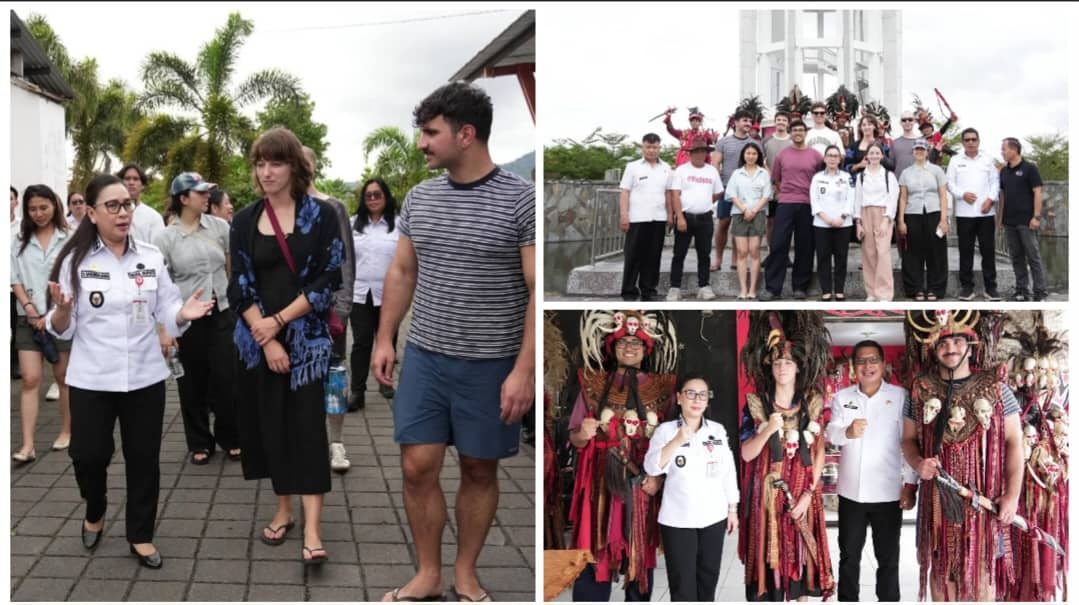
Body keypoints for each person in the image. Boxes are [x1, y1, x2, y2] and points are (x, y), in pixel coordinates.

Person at [371, 82, 534, 602]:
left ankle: (465, 572)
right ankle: (428, 573)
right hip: (425, 357)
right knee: (417, 466)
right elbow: (402, 271)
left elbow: (538, 289)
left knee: (477, 468)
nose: (421, 143)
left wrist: (524, 371)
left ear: (466, 135)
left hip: (491, 364)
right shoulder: (420, 198)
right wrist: (384, 339)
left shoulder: (520, 199)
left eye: (430, 132)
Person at [46, 173, 213, 568]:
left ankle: (140, 534)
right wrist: (64, 310)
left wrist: (182, 315)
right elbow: (60, 326)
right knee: (88, 456)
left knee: (143, 459)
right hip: (92, 378)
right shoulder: (76, 260)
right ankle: (96, 507)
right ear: (91, 213)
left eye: (127, 205)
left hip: (144, 376)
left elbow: (167, 308)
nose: (123, 213)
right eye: (113, 206)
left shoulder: (150, 257)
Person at [228, 127, 344, 566]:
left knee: (307, 431)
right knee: (270, 427)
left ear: (295, 166)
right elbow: (238, 284)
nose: (266, 171)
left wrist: (279, 324)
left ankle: (313, 527)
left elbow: (326, 280)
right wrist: (266, 335)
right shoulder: (243, 220)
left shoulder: (322, 215)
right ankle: (283, 508)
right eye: (260, 163)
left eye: (275, 162)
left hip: (306, 342)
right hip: (258, 342)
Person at [901, 310, 1023, 601]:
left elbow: (1015, 442)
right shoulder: (919, 390)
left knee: (981, 573)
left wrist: (1013, 495)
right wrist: (919, 464)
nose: (950, 348)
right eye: (943, 343)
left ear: (970, 346)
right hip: (937, 503)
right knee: (942, 573)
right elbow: (907, 439)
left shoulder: (996, 389)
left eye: (957, 341)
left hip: (983, 499)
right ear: (933, 349)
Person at [568, 310, 677, 601]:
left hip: (643, 484)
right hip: (599, 482)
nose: (628, 348)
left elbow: (674, 442)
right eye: (622, 343)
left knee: (640, 554)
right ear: (611, 347)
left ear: (646, 349)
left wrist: (658, 480)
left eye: (635, 343)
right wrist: (584, 434)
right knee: (594, 549)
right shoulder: (592, 383)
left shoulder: (665, 389)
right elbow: (575, 438)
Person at [739, 312, 834, 601]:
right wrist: (768, 428)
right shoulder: (755, 404)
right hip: (766, 495)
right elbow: (746, 454)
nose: (782, 367)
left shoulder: (814, 403)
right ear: (769, 366)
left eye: (788, 362)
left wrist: (808, 493)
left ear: (797, 367)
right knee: (771, 563)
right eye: (778, 362)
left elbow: (819, 452)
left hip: (804, 492)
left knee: (802, 564)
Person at [154, 172, 240, 465]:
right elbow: (160, 285)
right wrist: (165, 328)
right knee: (191, 382)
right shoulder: (165, 238)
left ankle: (231, 437)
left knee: (226, 378)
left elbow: (230, 267)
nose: (207, 197)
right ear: (183, 199)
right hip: (186, 318)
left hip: (222, 311)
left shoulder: (219, 226)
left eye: (208, 192)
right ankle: (200, 442)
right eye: (200, 193)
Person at [825, 340, 918, 602]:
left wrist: (910, 485)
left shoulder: (900, 397)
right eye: (862, 361)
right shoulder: (842, 398)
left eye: (873, 360)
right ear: (854, 367)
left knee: (888, 558)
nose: (868, 366)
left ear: (883, 364)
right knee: (848, 556)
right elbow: (831, 432)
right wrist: (847, 431)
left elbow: (909, 442)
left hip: (888, 492)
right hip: (851, 493)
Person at [644, 374, 739, 602]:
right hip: (678, 519)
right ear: (679, 398)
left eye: (702, 395)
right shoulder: (665, 431)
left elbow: (728, 470)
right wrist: (677, 440)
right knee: (682, 584)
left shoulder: (716, 430)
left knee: (708, 579)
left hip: (713, 516)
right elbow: (652, 467)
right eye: (690, 393)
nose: (696, 399)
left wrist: (732, 508)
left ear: (707, 400)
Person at [301, 145, 356, 473]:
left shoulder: (333, 206)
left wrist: (342, 309)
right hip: (292, 315)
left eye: (304, 162)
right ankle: (304, 441)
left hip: (329, 312)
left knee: (334, 377)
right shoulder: (280, 209)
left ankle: (336, 442)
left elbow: (345, 261)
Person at [12, 184, 72, 462]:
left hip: (60, 317)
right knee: (30, 379)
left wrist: (51, 314)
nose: (38, 213)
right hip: (28, 319)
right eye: (32, 209)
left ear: (55, 206)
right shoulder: (18, 241)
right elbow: (15, 280)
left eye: (43, 207)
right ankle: (28, 445)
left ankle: (67, 431)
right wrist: (30, 309)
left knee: (63, 378)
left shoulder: (68, 238)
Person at [349, 178, 400, 413]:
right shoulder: (352, 225)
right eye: (368, 195)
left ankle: (385, 381)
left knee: (387, 339)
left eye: (377, 194)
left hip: (390, 294)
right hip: (360, 293)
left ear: (386, 196)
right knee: (361, 343)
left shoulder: (399, 225)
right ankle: (357, 391)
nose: (372, 199)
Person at [761, 121, 821, 301]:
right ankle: (773, 289)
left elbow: (819, 179)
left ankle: (800, 287)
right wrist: (785, 193)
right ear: (790, 132)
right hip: (786, 203)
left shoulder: (816, 156)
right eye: (794, 130)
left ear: (806, 132)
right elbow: (776, 179)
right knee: (778, 244)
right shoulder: (782, 155)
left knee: (805, 247)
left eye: (801, 130)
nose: (798, 133)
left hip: (807, 204)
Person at [946, 128, 1001, 301]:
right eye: (967, 140)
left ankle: (991, 288)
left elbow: (995, 182)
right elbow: (950, 184)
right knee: (966, 251)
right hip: (964, 214)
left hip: (985, 213)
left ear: (978, 141)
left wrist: (990, 200)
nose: (970, 142)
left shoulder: (988, 160)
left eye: (973, 139)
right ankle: (967, 288)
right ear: (963, 143)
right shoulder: (955, 161)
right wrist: (963, 194)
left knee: (988, 251)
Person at [618, 133, 671, 301]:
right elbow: (625, 192)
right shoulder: (633, 167)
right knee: (633, 255)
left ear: (659, 148)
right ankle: (629, 291)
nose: (651, 150)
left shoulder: (666, 168)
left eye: (655, 147)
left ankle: (649, 290)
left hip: (658, 218)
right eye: (648, 147)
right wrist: (624, 215)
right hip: (637, 219)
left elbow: (668, 193)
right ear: (643, 147)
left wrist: (670, 215)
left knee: (653, 256)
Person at [667, 140, 722, 301]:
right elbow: (675, 194)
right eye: (696, 151)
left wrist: (704, 202)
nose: (699, 154)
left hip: (705, 218)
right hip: (685, 217)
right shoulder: (681, 170)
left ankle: (704, 286)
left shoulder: (711, 171)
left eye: (702, 151)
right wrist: (680, 217)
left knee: (704, 254)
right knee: (679, 254)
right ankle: (674, 287)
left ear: (706, 153)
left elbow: (718, 192)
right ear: (690, 153)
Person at [897, 139, 949, 301]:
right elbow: (903, 198)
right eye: (916, 149)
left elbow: (943, 195)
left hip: (934, 212)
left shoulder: (936, 170)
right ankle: (915, 288)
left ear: (927, 152)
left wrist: (943, 219)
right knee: (912, 253)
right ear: (913, 152)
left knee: (936, 252)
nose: (919, 152)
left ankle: (935, 288)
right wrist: (901, 220)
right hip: (912, 213)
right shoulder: (906, 173)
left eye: (922, 149)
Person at [999, 137, 1048, 302]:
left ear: (1014, 150)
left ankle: (1040, 291)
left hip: (1027, 221)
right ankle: (1021, 290)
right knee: (1016, 257)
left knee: (1033, 256)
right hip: (1009, 222)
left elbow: (1038, 192)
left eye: (1004, 149)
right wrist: (1000, 220)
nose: (1002, 152)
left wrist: (1036, 216)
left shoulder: (1030, 169)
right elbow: (1003, 197)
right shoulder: (1004, 172)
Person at [710, 109, 755, 272]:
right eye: (744, 120)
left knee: (740, 225)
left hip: (747, 192)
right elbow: (715, 164)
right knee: (723, 223)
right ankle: (718, 259)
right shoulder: (723, 142)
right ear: (735, 122)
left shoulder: (755, 143)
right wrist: (718, 187)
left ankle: (737, 260)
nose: (748, 123)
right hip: (726, 188)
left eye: (750, 121)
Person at [854, 143, 899, 302]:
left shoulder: (888, 176)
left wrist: (886, 219)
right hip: (865, 213)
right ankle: (872, 292)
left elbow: (893, 198)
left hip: (883, 214)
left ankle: (885, 292)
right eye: (871, 153)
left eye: (877, 153)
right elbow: (857, 199)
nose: (873, 155)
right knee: (868, 253)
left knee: (883, 253)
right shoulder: (861, 176)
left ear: (881, 156)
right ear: (867, 156)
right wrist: (858, 222)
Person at [726, 142, 772, 300]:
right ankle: (743, 289)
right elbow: (732, 194)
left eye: (754, 153)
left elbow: (767, 195)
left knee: (754, 251)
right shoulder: (737, 173)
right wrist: (745, 209)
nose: (751, 156)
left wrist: (753, 210)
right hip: (739, 214)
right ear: (743, 156)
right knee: (742, 252)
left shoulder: (763, 173)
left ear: (758, 156)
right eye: (748, 153)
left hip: (758, 214)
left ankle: (753, 289)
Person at [809, 145, 855, 301]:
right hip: (822, 223)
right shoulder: (817, 178)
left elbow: (851, 198)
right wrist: (826, 218)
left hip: (843, 223)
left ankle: (840, 290)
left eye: (835, 156)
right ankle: (826, 290)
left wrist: (841, 217)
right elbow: (814, 200)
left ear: (840, 159)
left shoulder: (846, 177)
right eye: (829, 155)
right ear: (824, 158)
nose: (832, 158)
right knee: (823, 257)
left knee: (841, 257)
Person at [763, 111, 793, 244]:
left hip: (788, 187)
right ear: (775, 122)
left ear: (788, 123)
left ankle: (784, 254)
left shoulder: (792, 141)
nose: (781, 122)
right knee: (771, 221)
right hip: (770, 187)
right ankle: (771, 252)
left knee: (786, 222)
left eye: (784, 120)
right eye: (778, 119)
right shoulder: (767, 140)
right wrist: (772, 178)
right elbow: (763, 162)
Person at [117, 164, 165, 245]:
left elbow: (158, 251)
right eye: (127, 178)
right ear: (120, 183)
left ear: (142, 185)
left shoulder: (153, 217)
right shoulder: (109, 213)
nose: (131, 182)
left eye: (136, 179)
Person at [845, 114, 895, 179]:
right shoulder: (853, 147)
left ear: (874, 126)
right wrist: (859, 165)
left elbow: (892, 166)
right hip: (859, 183)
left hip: (879, 182)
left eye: (869, 124)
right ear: (860, 127)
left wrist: (881, 158)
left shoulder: (883, 146)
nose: (867, 127)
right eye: (864, 125)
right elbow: (845, 168)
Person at [890, 110, 921, 178]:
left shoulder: (921, 142)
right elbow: (891, 165)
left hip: (918, 183)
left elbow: (928, 163)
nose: (907, 122)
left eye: (910, 119)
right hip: (899, 183)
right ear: (900, 123)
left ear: (914, 121)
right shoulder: (895, 143)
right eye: (904, 120)